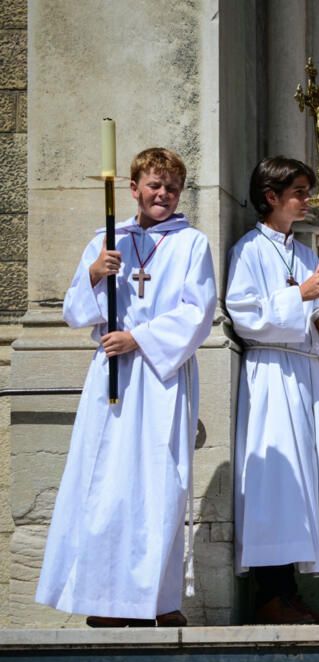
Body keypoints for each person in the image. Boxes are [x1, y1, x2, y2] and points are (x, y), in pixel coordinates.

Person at [35, 148, 217, 627]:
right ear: (133, 188)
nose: (163, 194)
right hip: (112, 377)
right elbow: (75, 312)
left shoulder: (192, 244)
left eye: (172, 188)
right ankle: (106, 600)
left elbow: (198, 311)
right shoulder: (106, 240)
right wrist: (95, 275)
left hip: (161, 377)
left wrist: (138, 336)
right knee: (106, 485)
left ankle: (157, 601)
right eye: (154, 186)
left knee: (160, 485)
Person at [226, 156, 319, 624]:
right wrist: (300, 296)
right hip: (272, 376)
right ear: (271, 196)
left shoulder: (305, 253)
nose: (306, 200)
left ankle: (290, 589)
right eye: (298, 191)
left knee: (304, 486)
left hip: (305, 373)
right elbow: (245, 315)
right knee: (275, 485)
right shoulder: (249, 250)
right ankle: (271, 592)